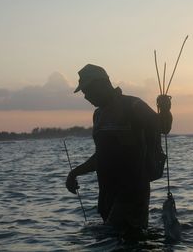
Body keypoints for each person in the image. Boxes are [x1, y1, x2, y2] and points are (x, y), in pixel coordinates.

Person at [66, 64, 165, 237]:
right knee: (110, 238)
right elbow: (102, 155)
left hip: (132, 191)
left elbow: (162, 126)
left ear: (103, 84)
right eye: (84, 92)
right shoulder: (98, 115)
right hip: (107, 195)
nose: (86, 96)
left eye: (88, 90)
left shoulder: (133, 105)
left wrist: (165, 109)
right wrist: (75, 172)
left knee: (127, 239)